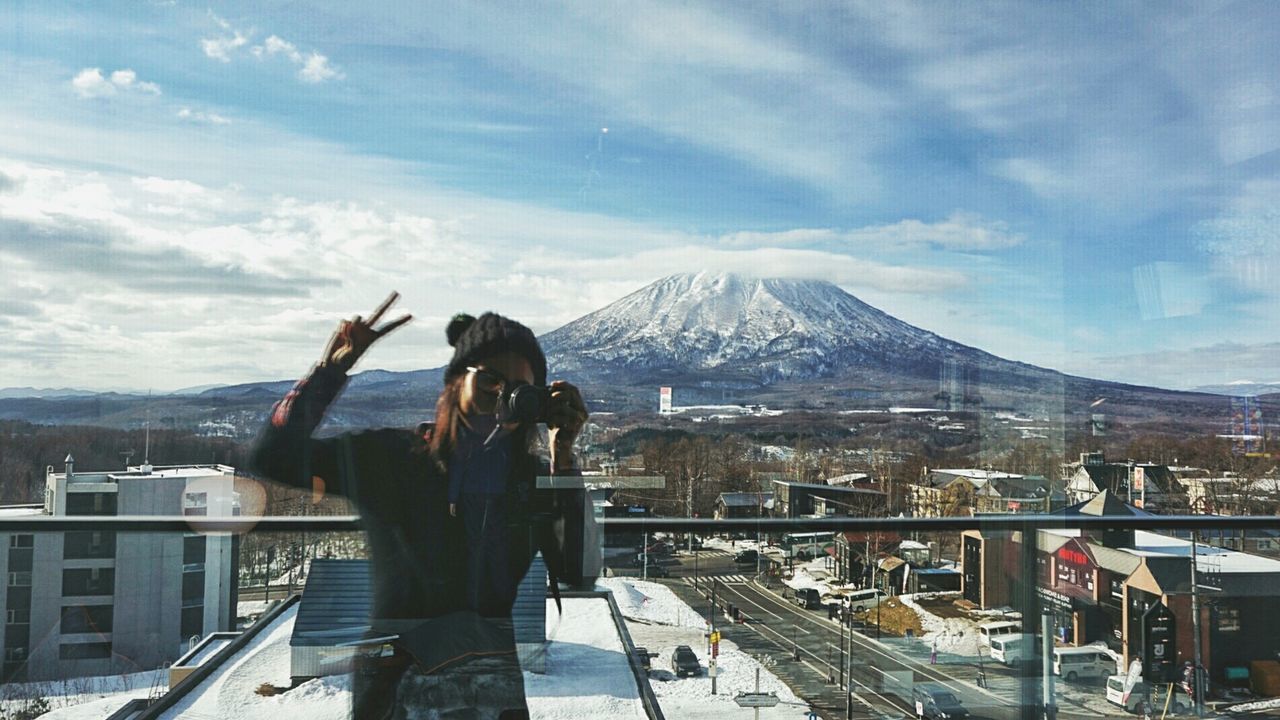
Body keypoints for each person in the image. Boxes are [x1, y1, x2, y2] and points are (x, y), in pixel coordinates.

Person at [251, 293, 591, 719]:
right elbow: (272, 457)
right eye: (490, 379)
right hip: (395, 687)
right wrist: (330, 370)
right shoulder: (391, 459)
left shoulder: (527, 480)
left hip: (488, 688)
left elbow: (577, 570)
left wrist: (564, 457)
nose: (501, 396)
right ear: (455, 381)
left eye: (518, 391)